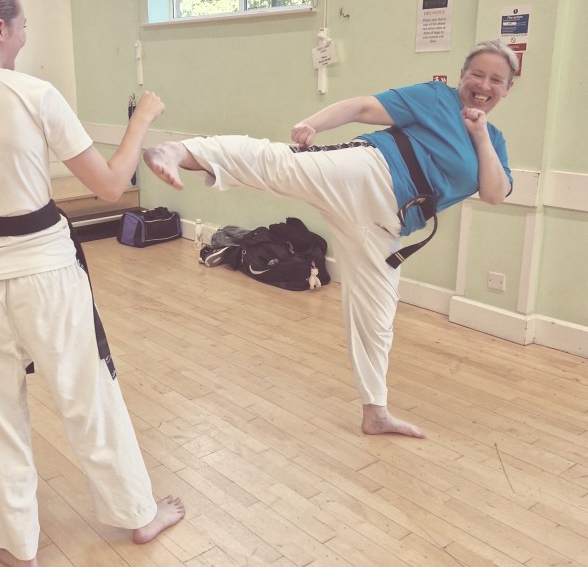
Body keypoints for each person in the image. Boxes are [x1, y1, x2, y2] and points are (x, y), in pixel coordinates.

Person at [0, 0, 184, 567]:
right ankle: (138, 515)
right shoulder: (34, 94)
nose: (26, 35)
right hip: (46, 273)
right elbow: (112, 185)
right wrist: (142, 119)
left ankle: (19, 546)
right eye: (24, 25)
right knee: (87, 395)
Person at [144, 40, 517, 439]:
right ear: (462, 76)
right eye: (477, 74)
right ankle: (178, 151)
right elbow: (362, 107)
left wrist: (479, 134)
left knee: (377, 316)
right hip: (369, 173)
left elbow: (494, 192)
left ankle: (375, 413)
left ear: (507, 89)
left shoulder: (494, 142)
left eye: (496, 80)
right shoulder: (437, 98)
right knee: (280, 165)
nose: (484, 85)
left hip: (386, 226)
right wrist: (314, 124)